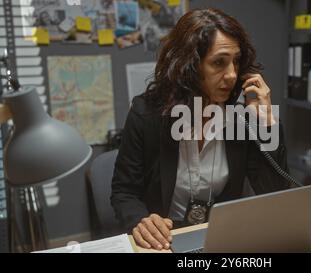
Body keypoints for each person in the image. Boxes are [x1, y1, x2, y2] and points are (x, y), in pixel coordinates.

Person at [111, 8, 292, 250]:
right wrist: (140, 221)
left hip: (222, 238)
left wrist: (268, 124)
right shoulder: (147, 114)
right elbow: (124, 192)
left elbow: (275, 192)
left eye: (236, 62)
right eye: (219, 63)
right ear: (190, 67)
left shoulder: (242, 117)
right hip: (165, 240)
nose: (232, 75)